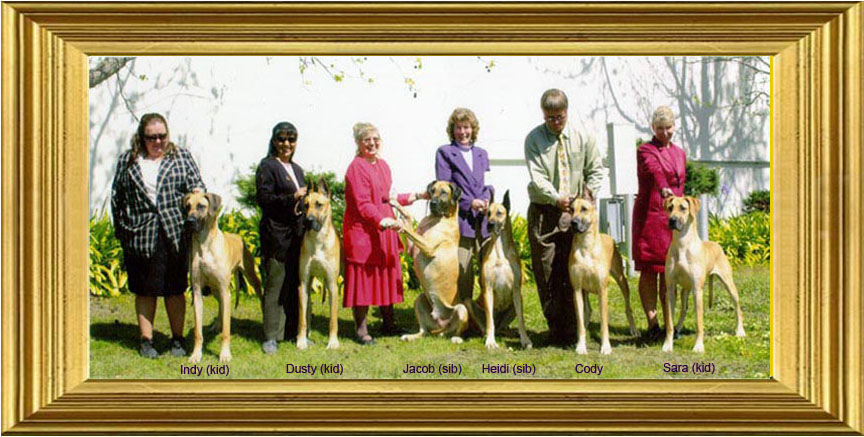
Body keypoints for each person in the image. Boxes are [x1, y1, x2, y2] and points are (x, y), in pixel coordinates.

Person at [111, 113, 206, 358]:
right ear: (142, 138)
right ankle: (146, 340)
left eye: (162, 136)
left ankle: (177, 340)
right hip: (140, 233)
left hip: (174, 232)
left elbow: (198, 184)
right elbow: (117, 198)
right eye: (151, 137)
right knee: (145, 289)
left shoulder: (181, 157)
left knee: (175, 289)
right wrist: (123, 231)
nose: (158, 141)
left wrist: (198, 190)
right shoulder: (128, 160)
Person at [524, 89, 604, 344]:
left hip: (576, 211)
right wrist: (556, 197)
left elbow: (595, 169)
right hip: (546, 210)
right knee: (547, 269)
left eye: (559, 117)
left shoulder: (584, 136)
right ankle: (556, 328)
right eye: (549, 118)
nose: (555, 123)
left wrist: (589, 195)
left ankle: (575, 328)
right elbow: (538, 178)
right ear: (543, 115)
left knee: (573, 269)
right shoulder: (534, 139)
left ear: (567, 112)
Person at [342, 122, 422, 345]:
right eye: (366, 139)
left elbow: (388, 197)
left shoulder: (384, 165)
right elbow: (363, 204)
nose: (372, 143)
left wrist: (416, 195)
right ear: (358, 143)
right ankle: (361, 330)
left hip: (384, 231)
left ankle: (389, 323)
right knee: (364, 281)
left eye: (375, 138)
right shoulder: (356, 168)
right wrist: (382, 220)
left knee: (386, 276)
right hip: (364, 233)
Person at [632, 106, 686, 341]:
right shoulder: (645, 150)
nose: (665, 133)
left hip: (672, 221)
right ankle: (652, 323)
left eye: (669, 128)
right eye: (660, 128)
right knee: (649, 271)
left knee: (669, 273)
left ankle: (670, 324)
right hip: (650, 218)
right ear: (653, 128)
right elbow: (655, 171)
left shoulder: (680, 153)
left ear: (674, 127)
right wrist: (664, 186)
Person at [255, 122, 307, 354]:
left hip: (297, 236)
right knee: (276, 285)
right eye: (281, 139)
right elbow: (265, 200)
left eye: (291, 139)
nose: (286, 144)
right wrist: (292, 197)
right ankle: (270, 337)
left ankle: (295, 331)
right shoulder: (267, 166)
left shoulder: (296, 169)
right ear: (274, 141)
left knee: (296, 284)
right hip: (276, 235)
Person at [434, 107, 494, 302]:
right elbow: (444, 189)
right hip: (460, 222)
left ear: (473, 129)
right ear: (453, 130)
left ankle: (487, 314)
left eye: (466, 127)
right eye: (458, 128)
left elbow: (489, 184)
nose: (463, 132)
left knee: (488, 271)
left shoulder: (481, 153)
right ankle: (464, 315)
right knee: (463, 272)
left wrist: (487, 198)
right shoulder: (445, 152)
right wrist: (469, 203)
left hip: (484, 221)